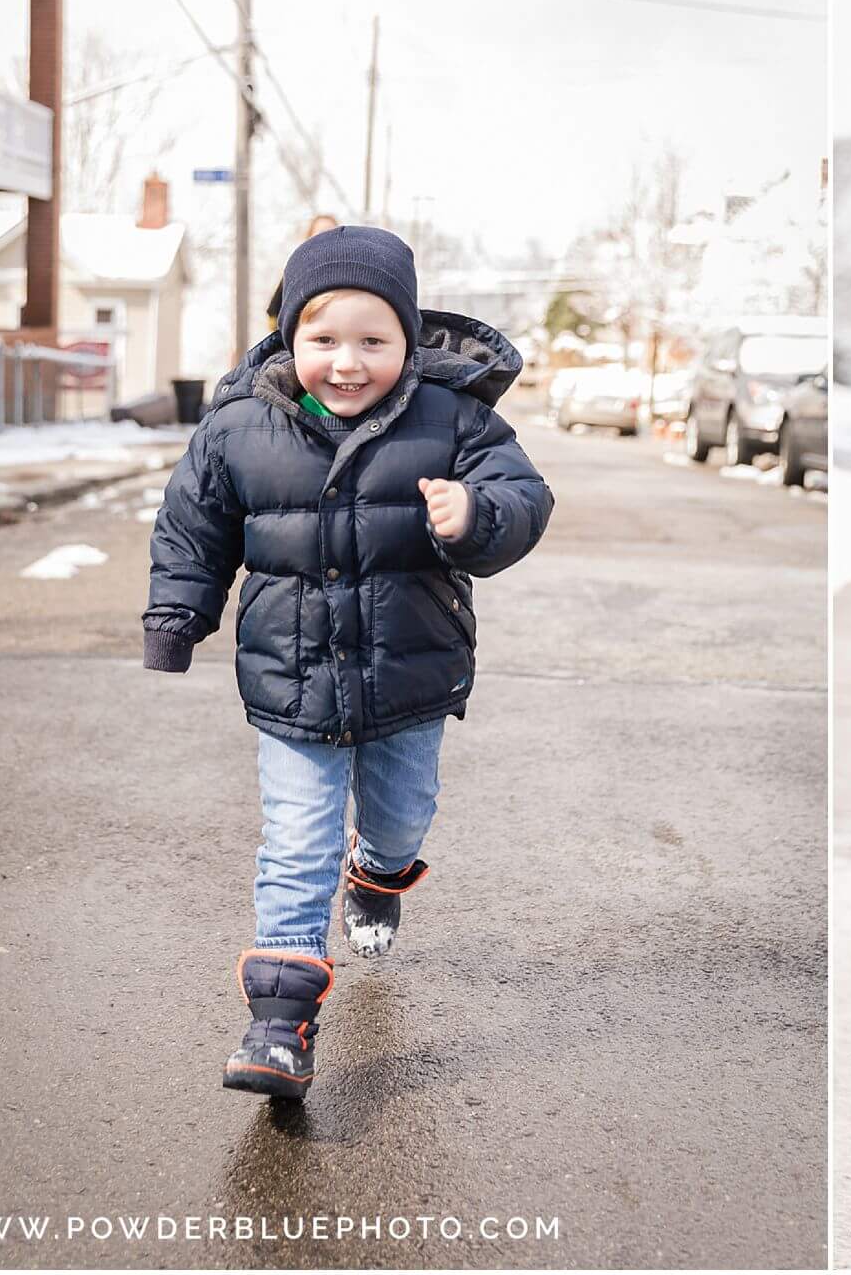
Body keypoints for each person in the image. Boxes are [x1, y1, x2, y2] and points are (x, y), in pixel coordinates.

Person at [142, 223, 552, 1100]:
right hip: (291, 678)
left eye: (375, 339)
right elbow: (193, 524)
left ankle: (380, 873)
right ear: (290, 335)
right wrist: (176, 616)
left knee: (402, 814)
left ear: (409, 338)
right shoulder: (240, 427)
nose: (348, 361)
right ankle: (279, 1023)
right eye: (324, 338)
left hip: (409, 675)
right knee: (295, 843)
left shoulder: (456, 420)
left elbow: (526, 497)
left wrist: (476, 514)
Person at [266, 214, 341, 333]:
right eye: (321, 233)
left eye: (332, 232)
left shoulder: (346, 270)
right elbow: (274, 312)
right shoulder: (297, 270)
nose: (327, 237)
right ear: (310, 237)